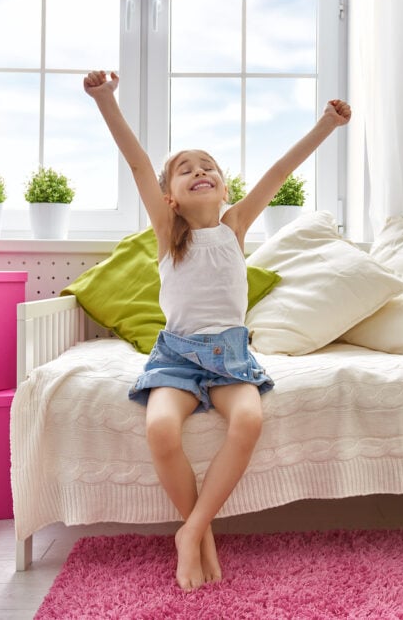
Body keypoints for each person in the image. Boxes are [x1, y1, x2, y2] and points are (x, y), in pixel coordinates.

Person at [83, 70, 351, 591]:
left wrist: (327, 125)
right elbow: (138, 161)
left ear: (225, 187)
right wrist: (105, 99)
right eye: (185, 170)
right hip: (177, 357)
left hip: (230, 357)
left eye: (208, 166)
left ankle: (193, 529)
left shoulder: (235, 227)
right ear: (169, 198)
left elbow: (279, 169)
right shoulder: (167, 234)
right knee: (161, 428)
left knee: (247, 420)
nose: (199, 170)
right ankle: (199, 536)